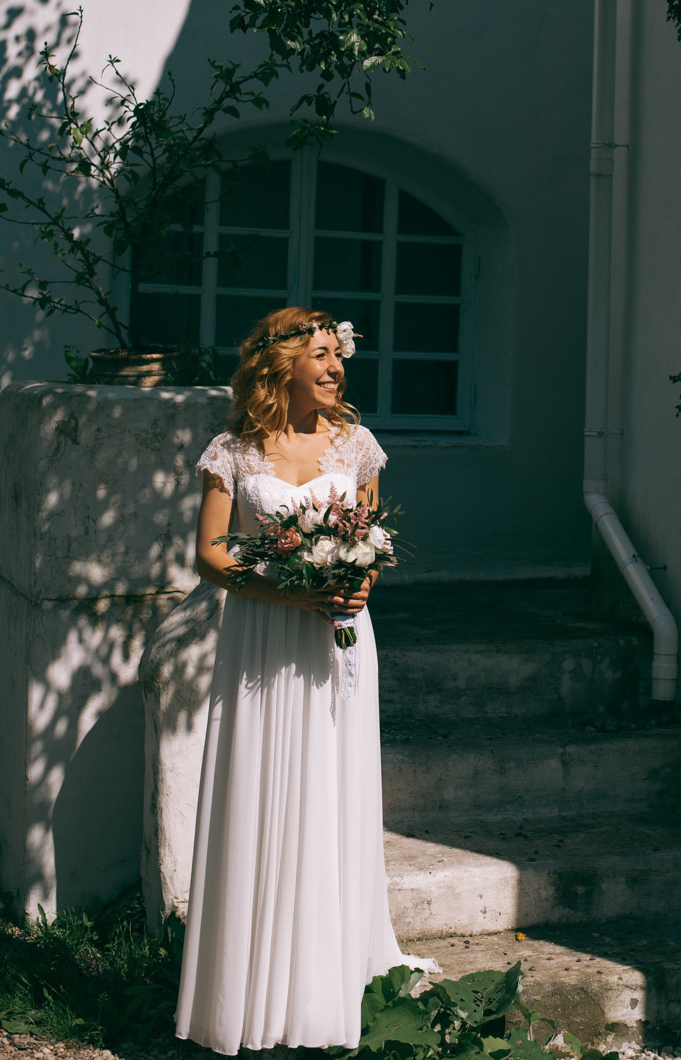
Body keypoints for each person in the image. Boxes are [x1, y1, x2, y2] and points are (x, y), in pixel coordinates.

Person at [175, 306, 424, 1055]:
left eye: (337, 357)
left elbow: (370, 541)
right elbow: (211, 555)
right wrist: (287, 589)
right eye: (320, 355)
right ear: (278, 363)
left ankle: (325, 981)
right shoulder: (234, 450)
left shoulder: (357, 444)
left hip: (336, 639)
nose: (335, 368)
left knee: (331, 791)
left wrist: (358, 585)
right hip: (261, 633)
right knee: (260, 788)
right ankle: (247, 989)